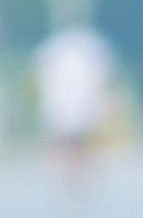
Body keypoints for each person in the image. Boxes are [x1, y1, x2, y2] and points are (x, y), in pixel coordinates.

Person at [33, 23, 116, 189]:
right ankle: (69, 172)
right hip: (73, 103)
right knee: (72, 140)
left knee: (72, 139)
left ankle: (68, 172)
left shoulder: (58, 47)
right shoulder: (87, 46)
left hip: (73, 103)